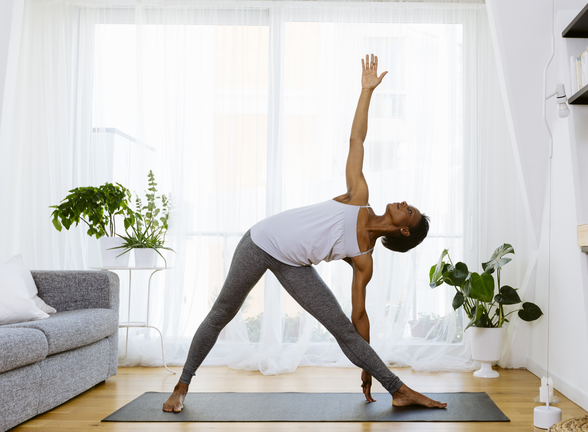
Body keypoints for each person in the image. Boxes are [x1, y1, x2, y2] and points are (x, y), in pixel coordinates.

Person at [163, 54, 446, 412]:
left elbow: (359, 319)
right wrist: (366, 92)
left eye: (410, 209)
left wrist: (367, 365)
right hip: (261, 241)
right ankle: (181, 386)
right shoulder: (358, 198)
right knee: (222, 313)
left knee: (342, 328)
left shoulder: (364, 261)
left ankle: (398, 390)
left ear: (404, 230)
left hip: (294, 265)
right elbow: (356, 140)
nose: (404, 202)